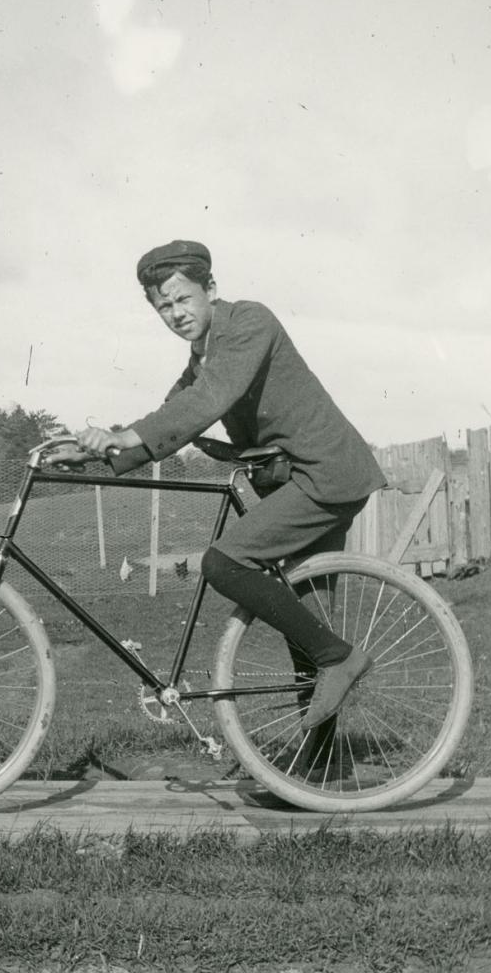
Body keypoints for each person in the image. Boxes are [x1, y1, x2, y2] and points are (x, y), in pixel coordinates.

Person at [50, 240, 386, 730]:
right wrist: (97, 449)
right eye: (163, 306)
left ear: (210, 288)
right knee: (308, 630)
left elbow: (207, 401)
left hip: (324, 474)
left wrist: (122, 437)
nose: (176, 313)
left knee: (224, 563)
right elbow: (173, 412)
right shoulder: (203, 356)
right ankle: (317, 772)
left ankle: (341, 661)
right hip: (298, 480)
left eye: (183, 299)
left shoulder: (249, 323)